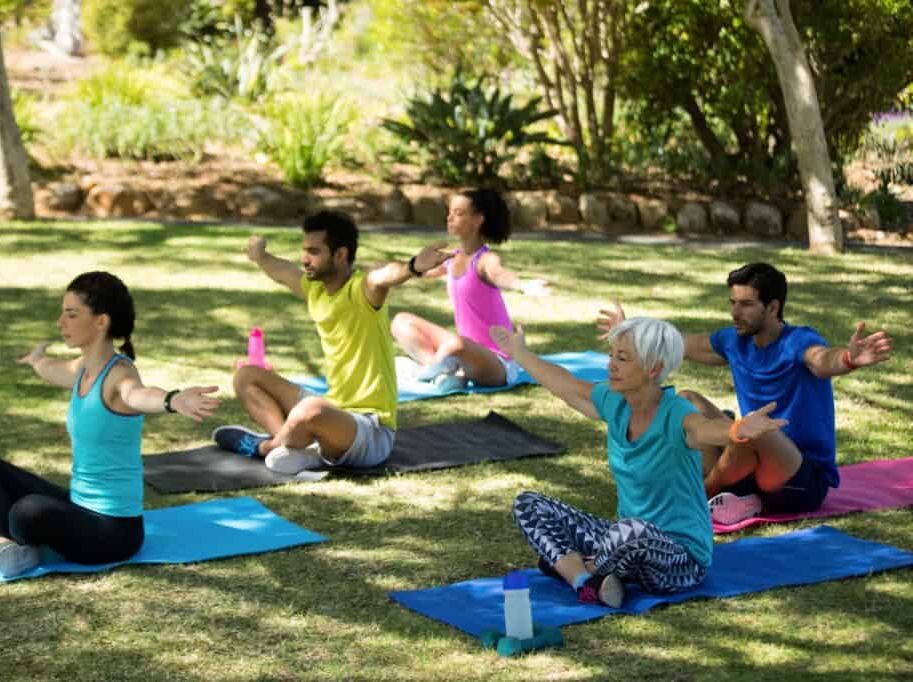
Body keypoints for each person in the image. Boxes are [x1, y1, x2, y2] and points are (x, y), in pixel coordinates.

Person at [492, 317, 785, 607]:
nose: (611, 365)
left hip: (679, 561)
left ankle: (578, 567)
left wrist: (736, 430)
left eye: (622, 358)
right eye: (612, 356)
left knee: (632, 530)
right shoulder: (614, 401)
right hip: (624, 545)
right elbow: (564, 384)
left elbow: (703, 429)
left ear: (653, 368)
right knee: (528, 504)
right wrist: (519, 353)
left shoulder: (675, 413)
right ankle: (585, 582)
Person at [0, 271, 220, 577]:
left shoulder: (119, 374)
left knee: (26, 511)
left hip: (113, 532)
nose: (60, 323)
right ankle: (3, 543)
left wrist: (172, 400)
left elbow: (138, 395)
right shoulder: (83, 368)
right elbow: (54, 371)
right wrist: (37, 361)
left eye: (71, 314)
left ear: (100, 321)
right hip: (77, 505)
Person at [597, 262, 893, 525]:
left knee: (753, 429)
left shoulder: (798, 341)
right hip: (752, 466)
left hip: (801, 481)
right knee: (687, 400)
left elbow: (821, 360)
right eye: (733, 302)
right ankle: (738, 498)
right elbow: (679, 343)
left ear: (773, 307)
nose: (735, 312)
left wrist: (849, 360)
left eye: (747, 304)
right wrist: (629, 331)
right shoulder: (734, 341)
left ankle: (699, 496)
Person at [213, 210, 450, 474]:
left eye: (314, 251)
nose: (305, 259)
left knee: (310, 409)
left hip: (371, 430)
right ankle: (297, 447)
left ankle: (267, 447)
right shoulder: (314, 289)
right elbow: (281, 271)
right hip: (333, 407)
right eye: (304, 250)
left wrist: (413, 266)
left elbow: (383, 276)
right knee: (246, 376)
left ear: (340, 255)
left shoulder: (363, 291)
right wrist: (260, 256)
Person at [390, 189, 549, 392]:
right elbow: (417, 272)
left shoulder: (485, 260)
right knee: (401, 322)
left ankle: (434, 370)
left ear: (477, 220)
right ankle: (444, 371)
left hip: (497, 362)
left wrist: (523, 285)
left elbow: (500, 275)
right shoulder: (451, 258)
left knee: (457, 345)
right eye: (449, 211)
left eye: (458, 213)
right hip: (463, 350)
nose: (449, 217)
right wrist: (409, 265)